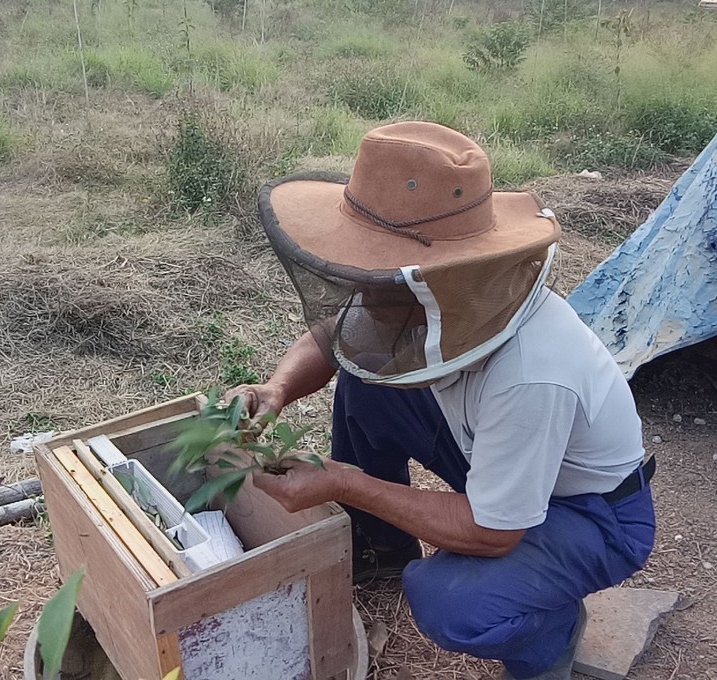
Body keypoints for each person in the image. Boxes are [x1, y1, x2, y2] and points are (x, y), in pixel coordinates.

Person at [227, 121, 656, 680]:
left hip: (589, 512)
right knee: (366, 381)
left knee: (449, 601)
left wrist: (344, 481)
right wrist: (276, 388)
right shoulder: (430, 295)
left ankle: (550, 635)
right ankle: (381, 545)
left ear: (441, 273)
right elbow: (333, 337)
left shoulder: (533, 375)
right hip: (495, 454)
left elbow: (492, 532)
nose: (364, 288)